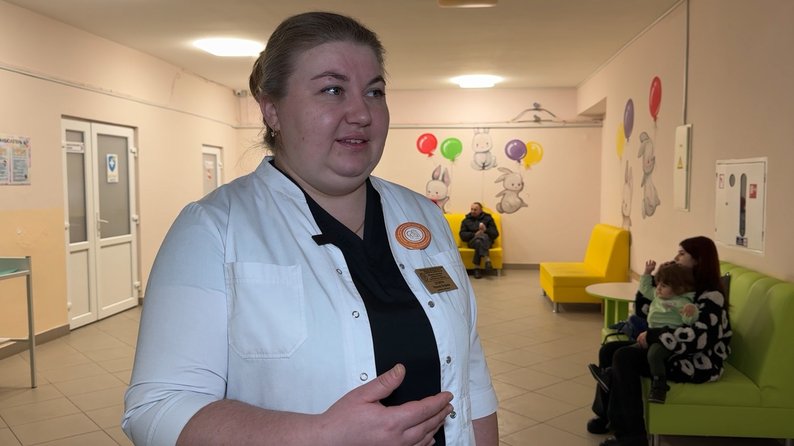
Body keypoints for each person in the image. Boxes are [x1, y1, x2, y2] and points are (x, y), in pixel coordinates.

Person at [122, 12, 498, 446]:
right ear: (272, 110)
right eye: (332, 89)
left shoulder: (423, 216)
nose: (362, 112)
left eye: (374, 91)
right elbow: (157, 408)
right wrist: (322, 435)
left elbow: (469, 373)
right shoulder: (212, 228)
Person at [586, 236, 731, 446]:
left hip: (695, 360)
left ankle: (632, 437)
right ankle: (606, 415)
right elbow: (643, 312)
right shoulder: (679, 282)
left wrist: (654, 335)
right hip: (670, 348)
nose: (676, 257)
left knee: (624, 357)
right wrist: (653, 283)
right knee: (608, 350)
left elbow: (699, 339)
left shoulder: (711, 295)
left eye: (682, 253)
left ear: (698, 260)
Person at [589, 261, 698, 404]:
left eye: (664, 286)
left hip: (666, 341)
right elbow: (645, 289)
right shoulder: (658, 296)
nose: (658, 288)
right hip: (650, 336)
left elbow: (689, 322)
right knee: (624, 351)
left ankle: (659, 386)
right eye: (658, 284)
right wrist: (647, 273)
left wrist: (691, 312)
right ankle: (608, 376)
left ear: (679, 289)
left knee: (654, 355)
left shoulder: (682, 302)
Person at [459, 202, 499, 279]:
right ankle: (487, 259)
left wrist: (486, 230)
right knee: (479, 238)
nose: (473, 211)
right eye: (472, 209)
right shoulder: (466, 220)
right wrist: (474, 234)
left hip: (486, 242)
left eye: (475, 210)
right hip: (472, 242)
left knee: (480, 240)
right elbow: (462, 235)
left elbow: (495, 234)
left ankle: (476, 268)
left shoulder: (488, 219)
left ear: (481, 210)